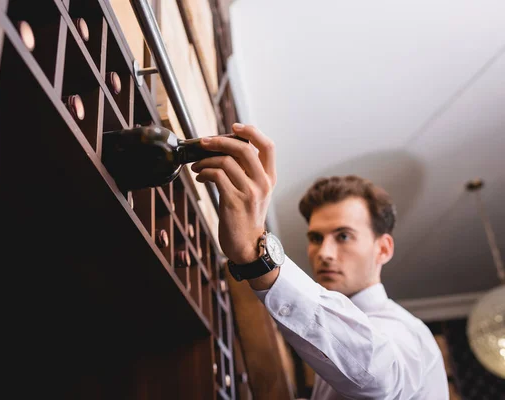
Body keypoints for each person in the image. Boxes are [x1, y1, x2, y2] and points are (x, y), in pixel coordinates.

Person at [191, 123, 449, 399]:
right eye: (315, 238)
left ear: (383, 249)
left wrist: (258, 258)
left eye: (344, 236)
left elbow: (378, 374)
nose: (324, 253)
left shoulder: (408, 334)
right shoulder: (330, 350)